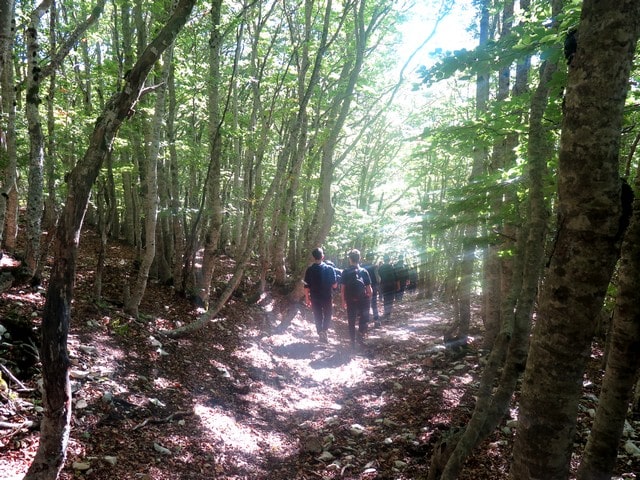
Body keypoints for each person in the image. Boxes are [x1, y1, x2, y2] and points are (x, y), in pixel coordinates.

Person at [303, 247, 337, 343]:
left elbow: (306, 286)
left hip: (315, 297)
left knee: (317, 315)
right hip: (327, 296)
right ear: (323, 256)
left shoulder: (309, 270)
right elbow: (334, 285)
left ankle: (320, 332)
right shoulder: (330, 269)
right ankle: (324, 331)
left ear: (313, 257)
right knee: (328, 314)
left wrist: (307, 298)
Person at [341, 249, 372, 349]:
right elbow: (369, 290)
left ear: (350, 259)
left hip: (351, 300)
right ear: (359, 259)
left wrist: (343, 300)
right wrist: (368, 298)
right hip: (362, 300)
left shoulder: (345, 272)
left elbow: (343, 289)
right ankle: (361, 335)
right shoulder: (364, 271)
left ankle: (352, 342)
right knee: (363, 319)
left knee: (351, 321)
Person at [377, 254, 398, 322]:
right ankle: (388, 314)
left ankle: (386, 313)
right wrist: (397, 285)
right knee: (390, 300)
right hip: (391, 285)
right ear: (389, 260)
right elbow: (396, 277)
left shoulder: (380, 268)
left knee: (386, 299)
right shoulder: (392, 267)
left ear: (384, 260)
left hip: (384, 285)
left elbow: (379, 276)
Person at [362, 252, 380, 328]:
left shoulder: (362, 267)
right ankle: (376, 321)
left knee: (365, 305)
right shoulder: (374, 267)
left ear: (366, 258)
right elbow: (378, 279)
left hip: (364, 288)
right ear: (372, 258)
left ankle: (365, 323)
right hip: (373, 287)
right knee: (374, 304)